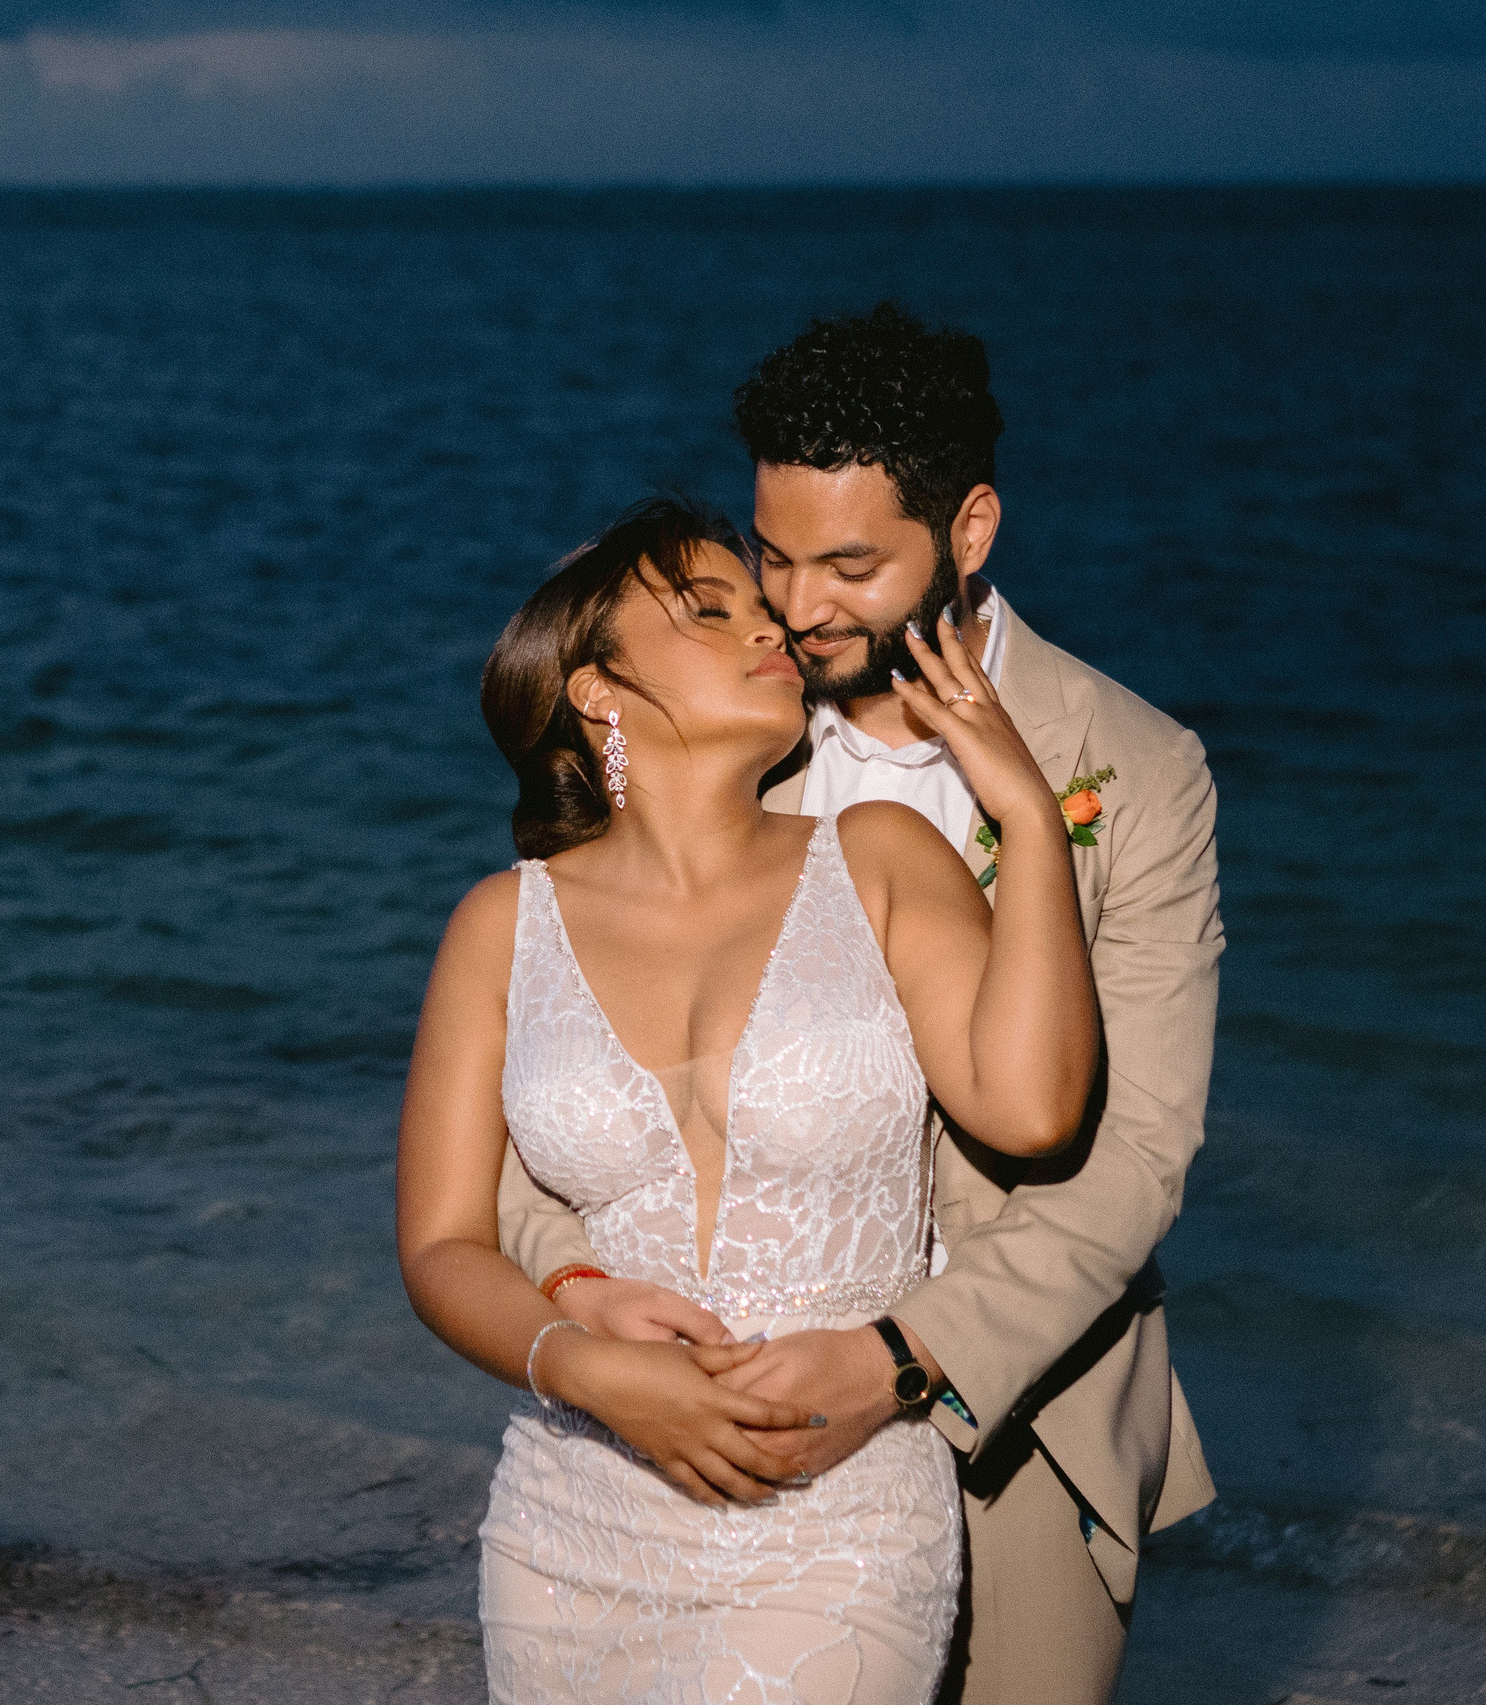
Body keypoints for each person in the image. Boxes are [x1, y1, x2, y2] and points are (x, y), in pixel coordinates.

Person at [500, 305, 1224, 1705]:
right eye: (772, 557)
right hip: (710, 1425)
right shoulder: (712, 738)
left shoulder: (1136, 767)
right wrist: (589, 1304)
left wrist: (904, 1359)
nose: (800, 605)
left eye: (850, 565)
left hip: (1024, 1415)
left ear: (968, 533)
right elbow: (546, 1076)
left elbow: (1134, 1160)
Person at [396, 494, 1101, 1704]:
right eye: (708, 611)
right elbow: (443, 1243)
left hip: (835, 1507)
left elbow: (1030, 1107)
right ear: (595, 691)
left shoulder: (878, 857)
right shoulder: (500, 926)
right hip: (574, 1523)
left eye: (762, 611)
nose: (767, 631)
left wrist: (1028, 815)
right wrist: (583, 1365)